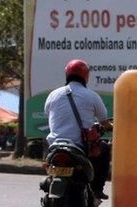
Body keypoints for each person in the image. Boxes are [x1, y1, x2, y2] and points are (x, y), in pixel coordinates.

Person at [44, 59, 112, 199]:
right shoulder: (92, 96)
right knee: (105, 149)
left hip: (54, 145)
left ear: (67, 74)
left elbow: (48, 113)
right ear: (86, 76)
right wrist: (110, 127)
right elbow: (104, 122)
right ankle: (97, 189)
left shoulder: (53, 95)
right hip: (80, 145)